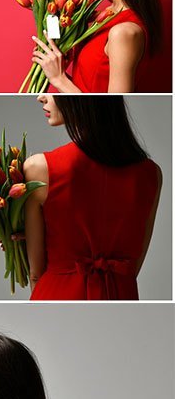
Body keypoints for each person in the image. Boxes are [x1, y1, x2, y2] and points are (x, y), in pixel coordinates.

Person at [23, 98, 162, 300]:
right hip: (121, 294)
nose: (41, 96)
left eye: (54, 92)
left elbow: (35, 273)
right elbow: (133, 265)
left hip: (57, 294)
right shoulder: (151, 174)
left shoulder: (39, 168)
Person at [32, 0, 163, 94]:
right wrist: (57, 69)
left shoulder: (124, 32)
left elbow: (110, 108)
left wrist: (59, 79)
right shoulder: (104, 15)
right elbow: (88, 90)